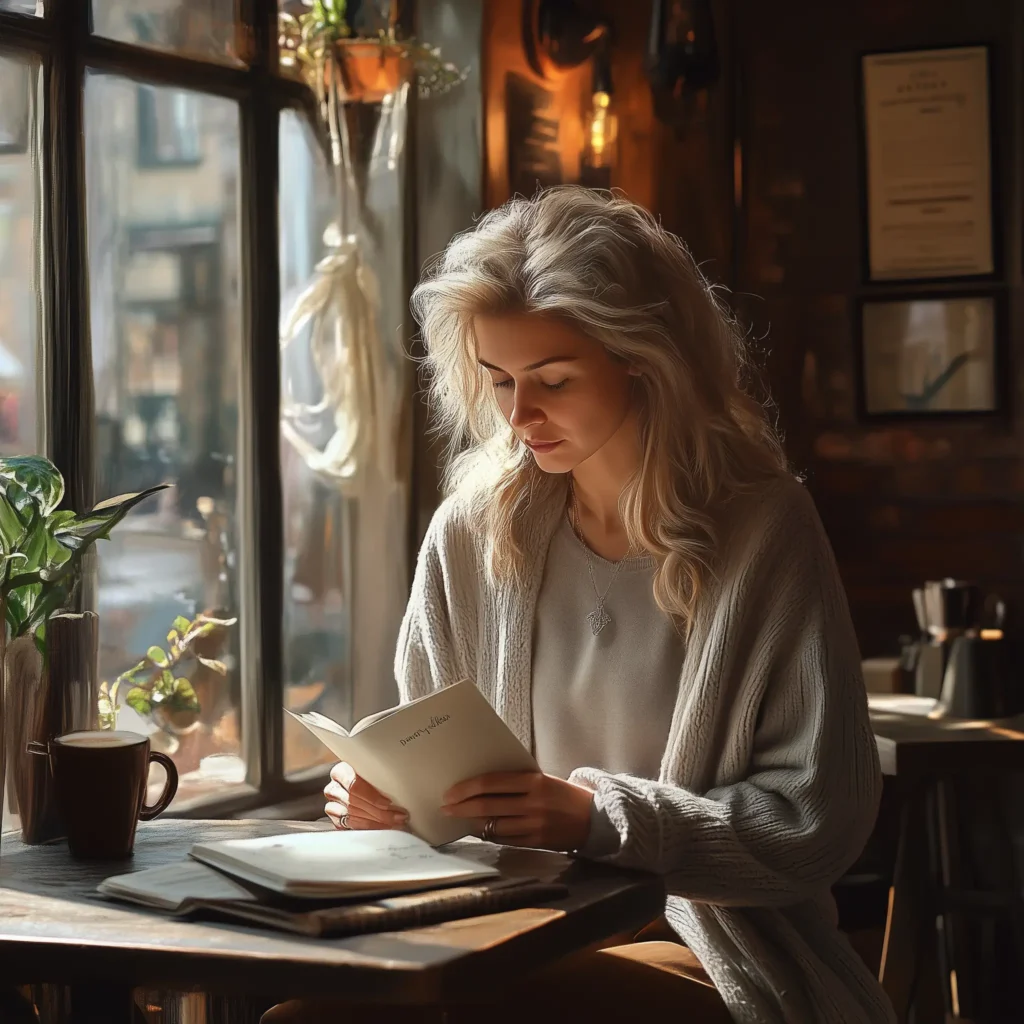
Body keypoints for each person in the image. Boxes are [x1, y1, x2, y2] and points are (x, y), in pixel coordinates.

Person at [263, 188, 895, 1024]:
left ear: (644, 360)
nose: (520, 416)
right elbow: (439, 781)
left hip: (713, 947)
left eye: (553, 380)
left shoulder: (761, 529)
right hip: (498, 930)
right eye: (498, 381)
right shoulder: (471, 532)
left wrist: (603, 818)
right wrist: (386, 801)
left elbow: (817, 823)